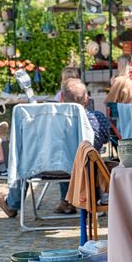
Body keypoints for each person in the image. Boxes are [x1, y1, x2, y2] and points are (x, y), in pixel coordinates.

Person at [54, 78, 111, 214]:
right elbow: (106, 140)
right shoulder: (97, 118)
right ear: (86, 99)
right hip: (87, 173)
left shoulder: (52, 123)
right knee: (85, 158)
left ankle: (67, 201)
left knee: (66, 154)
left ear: (61, 98)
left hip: (54, 168)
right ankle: (88, 199)